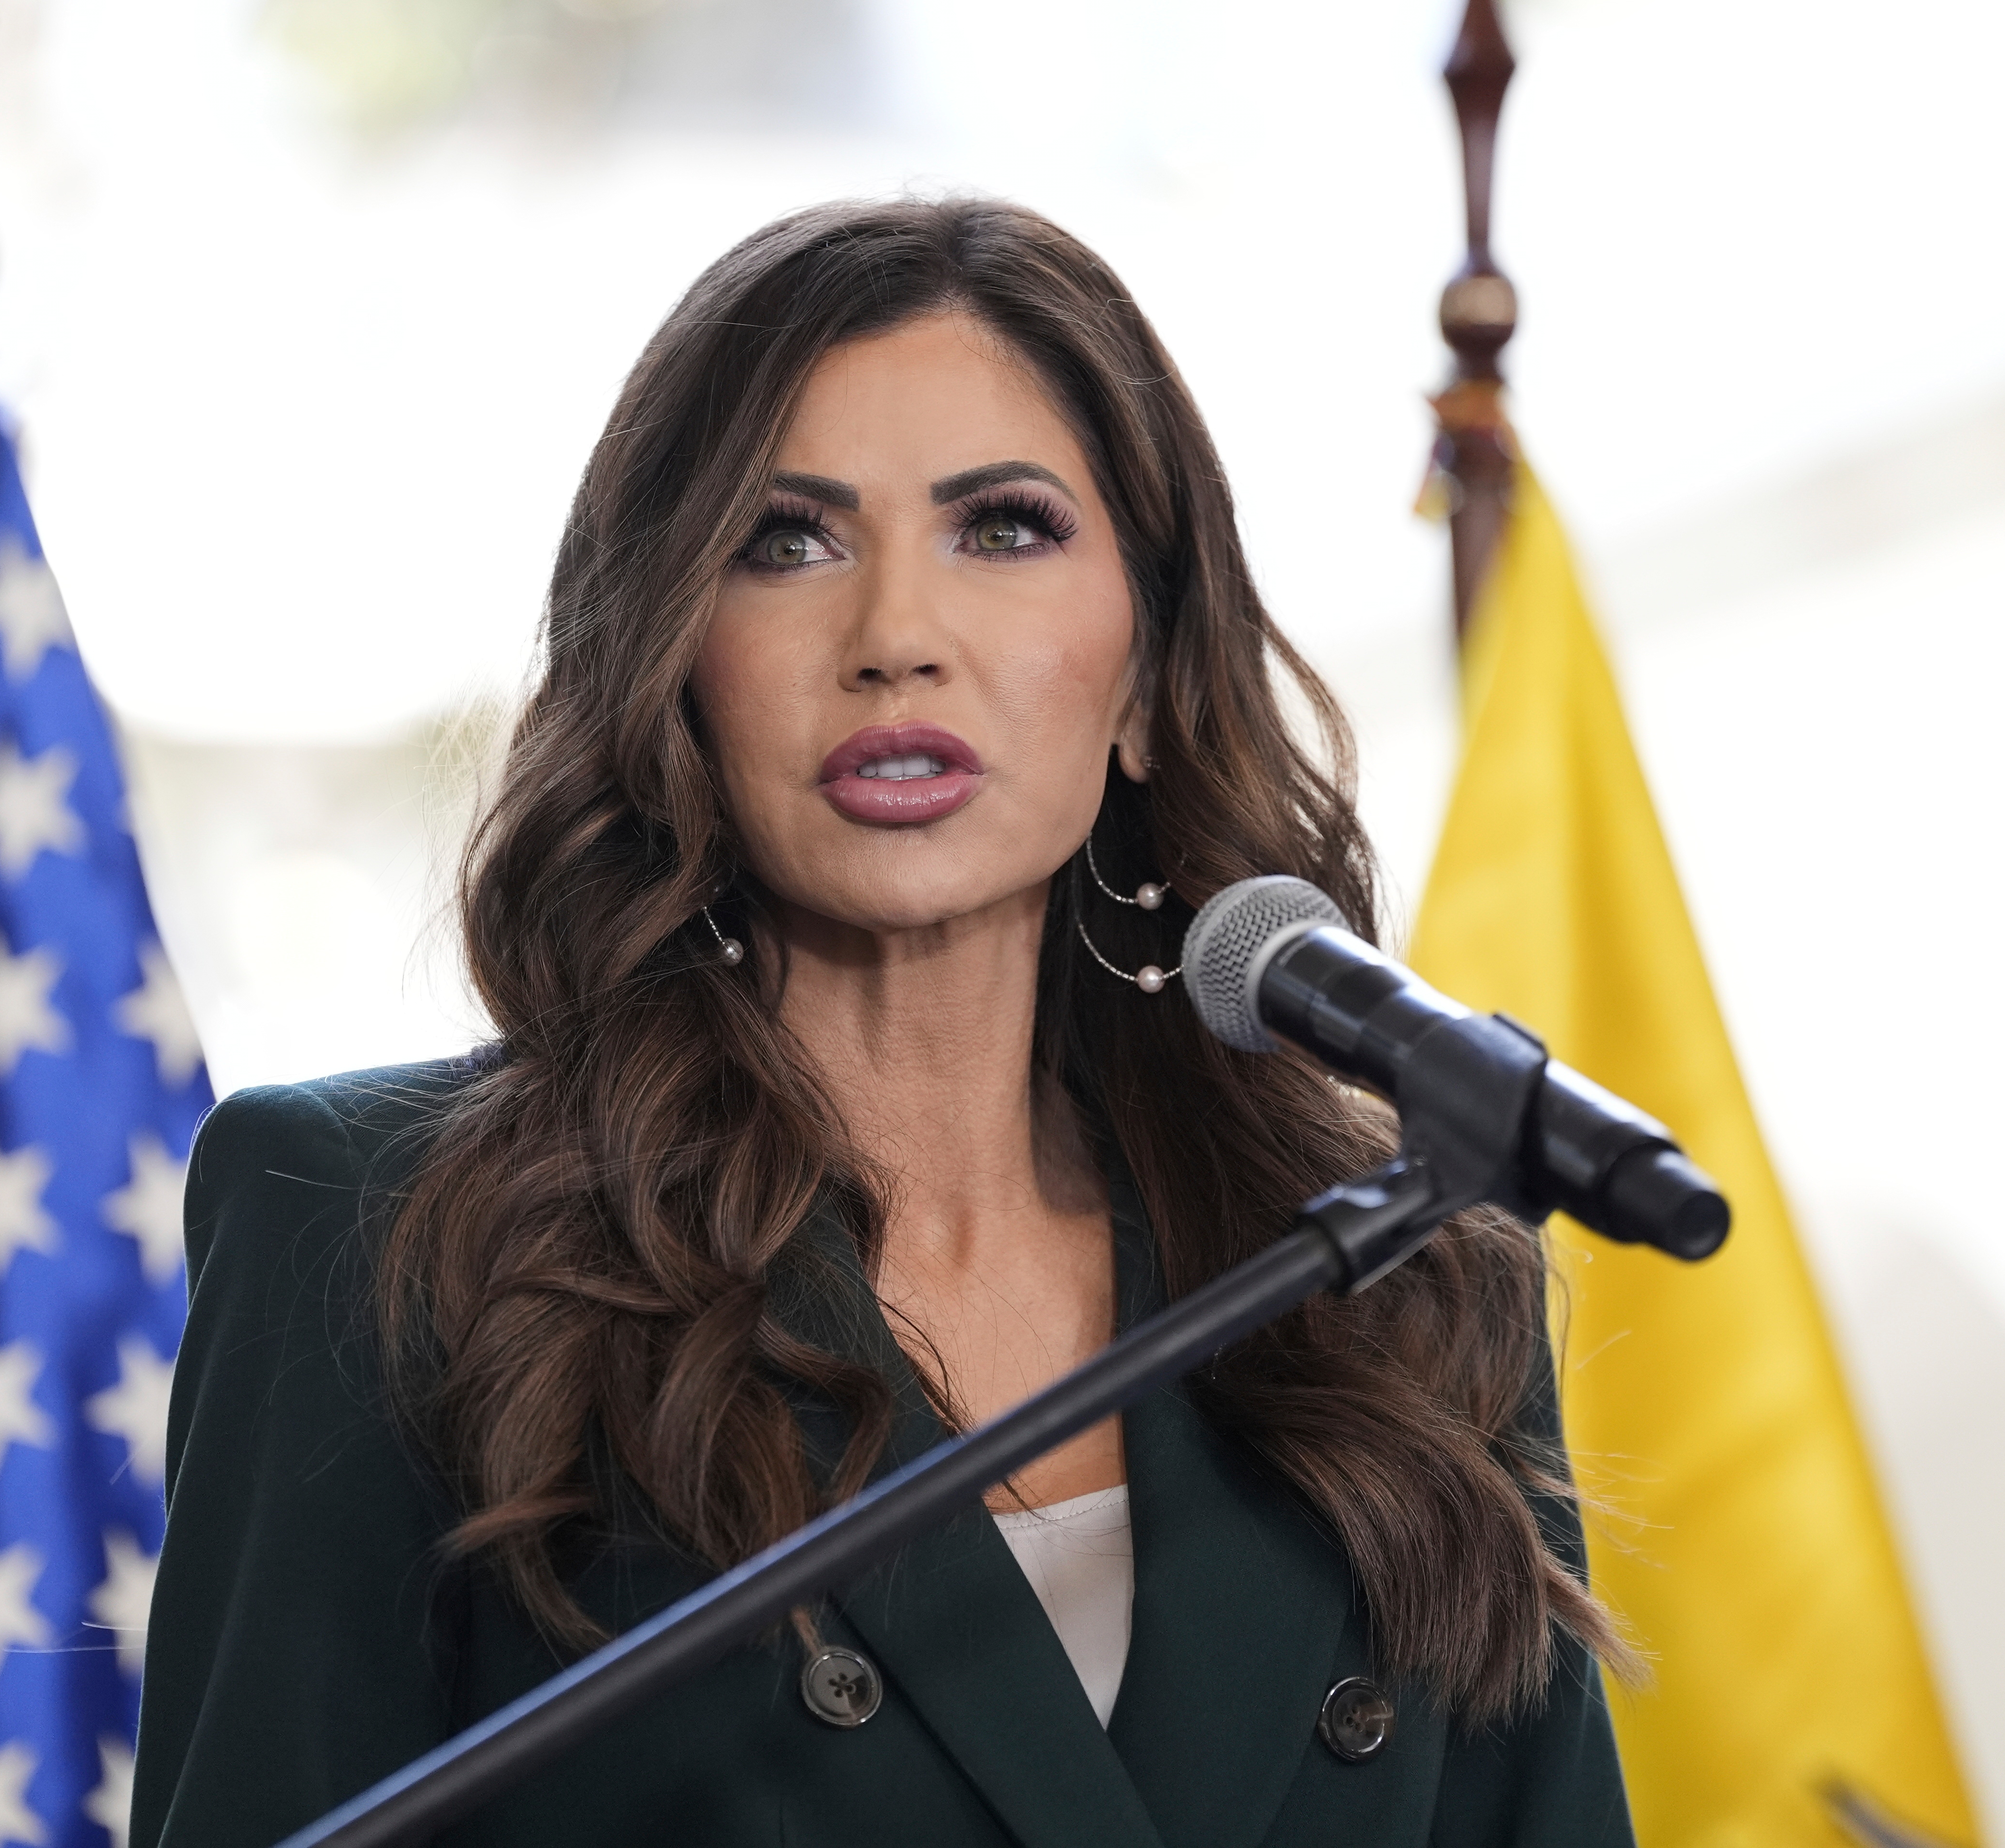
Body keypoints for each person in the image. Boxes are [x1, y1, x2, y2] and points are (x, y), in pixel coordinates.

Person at [132, 198, 1635, 1848]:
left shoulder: (1399, 1273)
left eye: (1002, 527)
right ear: (673, 666)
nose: (895, 638)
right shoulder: (373, 1227)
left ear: (1142, 675)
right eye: (787, 539)